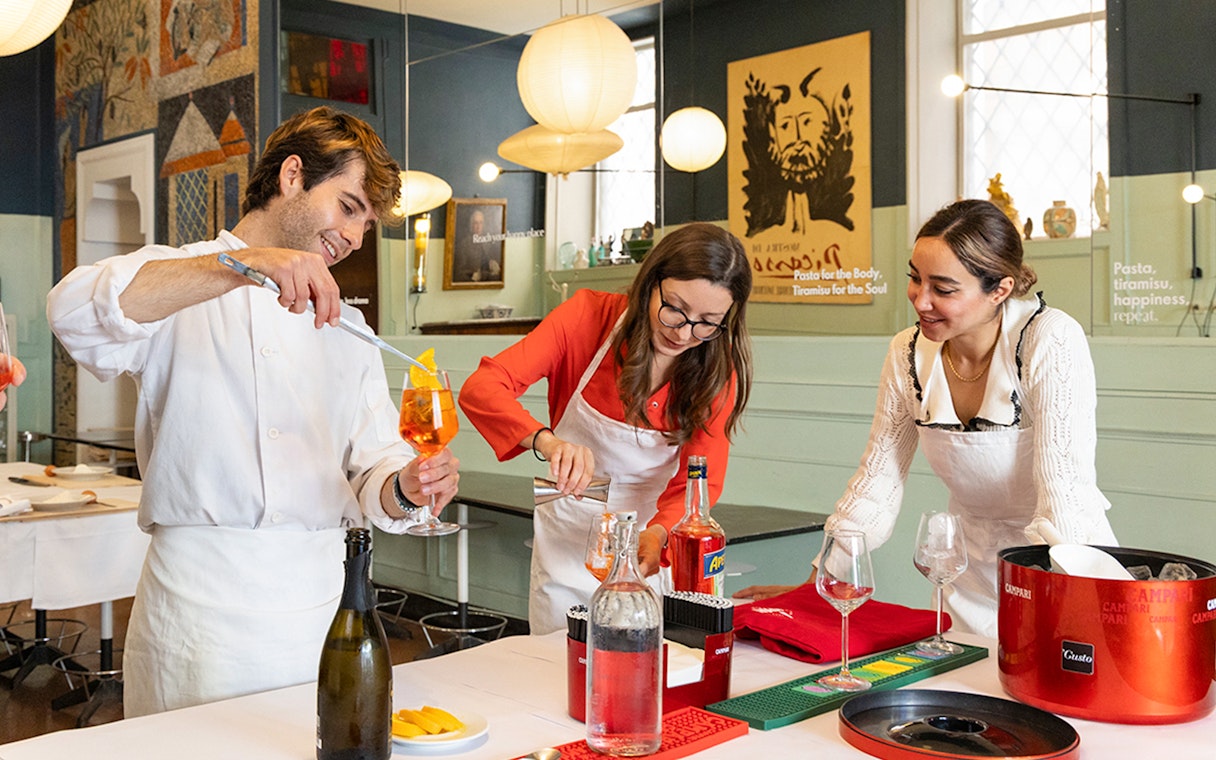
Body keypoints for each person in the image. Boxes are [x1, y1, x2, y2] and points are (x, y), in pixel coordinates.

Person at [46, 106, 461, 716]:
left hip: (324, 610)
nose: (354, 236)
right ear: (293, 175)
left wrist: (405, 486)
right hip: (195, 612)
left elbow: (375, 470)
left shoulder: (348, 326)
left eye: (367, 224)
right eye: (348, 207)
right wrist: (240, 266)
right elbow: (74, 313)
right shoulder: (183, 276)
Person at [734, 199, 1117, 638]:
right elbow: (878, 481)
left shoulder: (1048, 339)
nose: (921, 299)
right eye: (914, 278)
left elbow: (1063, 493)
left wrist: (1075, 615)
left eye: (944, 288)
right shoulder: (908, 352)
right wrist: (816, 587)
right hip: (964, 573)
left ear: (1000, 289)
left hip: (1062, 570)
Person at [458, 222, 753, 634]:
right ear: (651, 282)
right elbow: (482, 388)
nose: (684, 332)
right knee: (558, 669)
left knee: (637, 674)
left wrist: (661, 534)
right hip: (568, 542)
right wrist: (548, 441)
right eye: (674, 308)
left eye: (707, 322)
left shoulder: (718, 373)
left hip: (648, 549)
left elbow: (699, 480)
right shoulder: (587, 317)